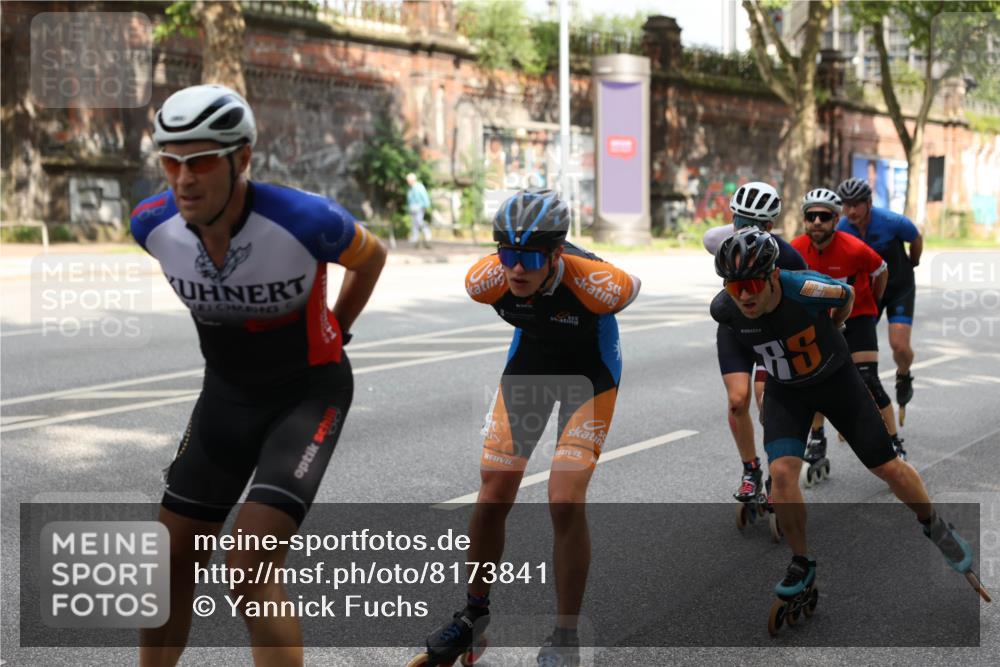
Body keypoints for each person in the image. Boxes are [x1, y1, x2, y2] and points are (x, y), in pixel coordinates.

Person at [131, 84, 386, 666]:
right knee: (169, 562)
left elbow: (372, 259)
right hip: (225, 395)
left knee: (248, 565)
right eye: (171, 161)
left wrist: (336, 329)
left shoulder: (306, 220)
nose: (184, 178)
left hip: (307, 395)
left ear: (241, 158)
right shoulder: (151, 225)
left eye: (200, 162)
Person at [412, 189, 640, 667]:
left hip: (590, 373)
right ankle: (473, 617)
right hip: (532, 366)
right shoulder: (485, 280)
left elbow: (631, 284)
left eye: (531, 257)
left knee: (564, 498)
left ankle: (565, 635)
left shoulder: (599, 283)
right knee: (493, 492)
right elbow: (505, 276)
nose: (517, 268)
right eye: (508, 254)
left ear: (557, 253)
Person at [711, 228, 981, 617]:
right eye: (736, 289)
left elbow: (848, 296)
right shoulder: (725, 309)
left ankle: (934, 523)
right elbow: (739, 342)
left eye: (753, 284)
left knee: (887, 467)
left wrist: (834, 327)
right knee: (783, 474)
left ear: (773, 275)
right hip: (788, 392)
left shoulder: (804, 288)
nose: (746, 296)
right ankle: (802, 562)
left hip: (837, 382)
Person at [702, 182, 806, 503]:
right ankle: (750, 470)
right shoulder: (719, 238)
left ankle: (779, 469)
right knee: (737, 400)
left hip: (770, 334)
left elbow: (804, 297)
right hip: (735, 327)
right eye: (739, 220)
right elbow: (709, 237)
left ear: (770, 227)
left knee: (766, 401)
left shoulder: (788, 256)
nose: (743, 229)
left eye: (754, 225)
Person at [790, 188, 905, 477]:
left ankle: (893, 441)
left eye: (824, 216)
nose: (817, 221)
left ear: (836, 219)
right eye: (811, 216)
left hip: (858, 316)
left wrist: (872, 303)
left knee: (867, 379)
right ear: (804, 219)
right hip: (818, 322)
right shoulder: (794, 249)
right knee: (812, 378)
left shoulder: (853, 247)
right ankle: (817, 440)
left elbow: (881, 270)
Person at [836, 177, 923, 424]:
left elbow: (915, 238)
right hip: (868, 294)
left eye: (857, 205)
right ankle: (857, 404)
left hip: (898, 288)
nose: (851, 211)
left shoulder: (892, 221)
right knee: (854, 353)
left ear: (869, 203)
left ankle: (903, 374)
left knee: (900, 346)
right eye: (847, 205)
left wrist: (913, 261)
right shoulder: (841, 228)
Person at [406, 171, 433, 249]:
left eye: (408, 180)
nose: (407, 182)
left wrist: (426, 205)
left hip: (419, 207)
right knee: (414, 223)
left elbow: (424, 197)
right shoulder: (411, 188)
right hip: (413, 209)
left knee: (419, 221)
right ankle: (415, 238)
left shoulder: (419, 187)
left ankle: (427, 233)